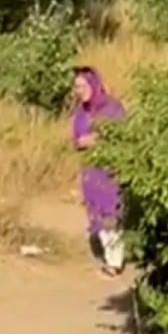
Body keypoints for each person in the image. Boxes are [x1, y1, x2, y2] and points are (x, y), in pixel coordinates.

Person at [71, 66, 128, 278]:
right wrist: (86, 141)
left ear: (92, 85)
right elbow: (77, 139)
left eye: (82, 86)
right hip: (91, 171)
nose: (79, 91)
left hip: (110, 169)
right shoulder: (81, 112)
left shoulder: (112, 108)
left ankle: (115, 261)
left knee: (111, 212)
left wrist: (95, 140)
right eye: (76, 87)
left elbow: (120, 134)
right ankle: (109, 258)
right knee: (96, 211)